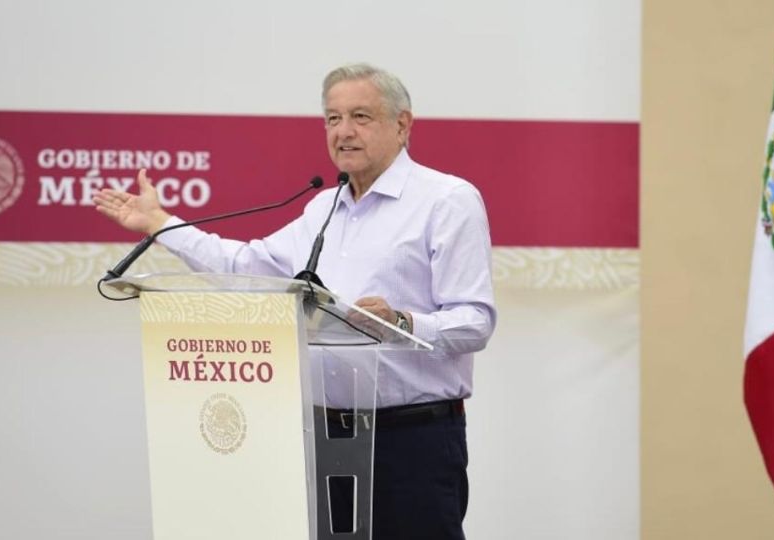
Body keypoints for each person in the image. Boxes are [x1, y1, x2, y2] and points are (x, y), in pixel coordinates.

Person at [93, 63, 496, 540]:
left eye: (360, 116)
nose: (343, 132)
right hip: (320, 437)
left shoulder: (446, 200)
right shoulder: (322, 208)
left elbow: (475, 322)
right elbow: (246, 266)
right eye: (332, 118)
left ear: (402, 124)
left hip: (409, 441)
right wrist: (161, 223)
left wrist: (402, 321)